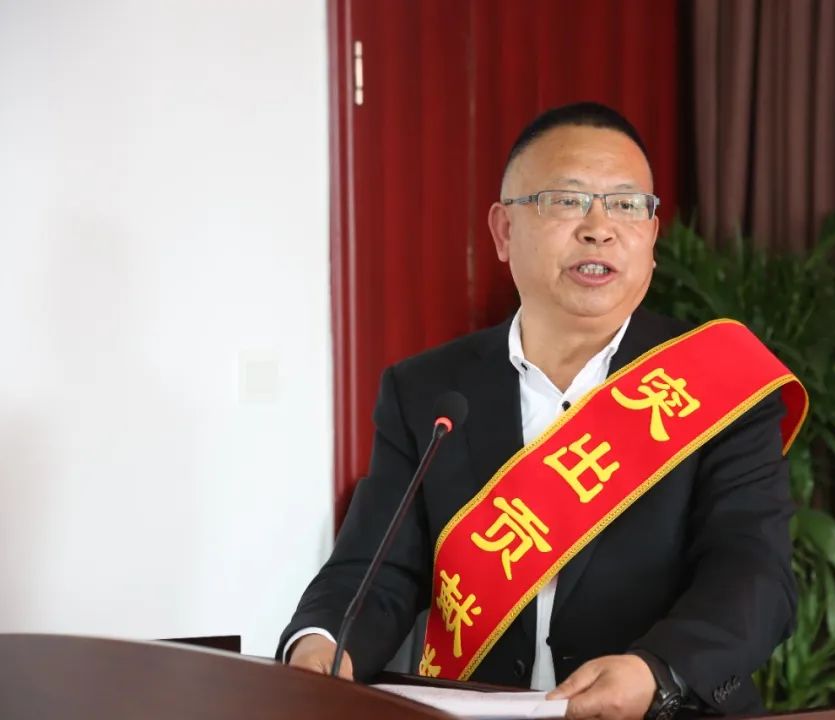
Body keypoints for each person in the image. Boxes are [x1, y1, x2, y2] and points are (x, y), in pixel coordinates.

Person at [278, 102, 804, 720]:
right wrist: (322, 645)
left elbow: (754, 572)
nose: (600, 229)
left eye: (627, 204)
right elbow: (374, 570)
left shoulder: (714, 384)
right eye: (567, 200)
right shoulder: (426, 391)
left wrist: (657, 671)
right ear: (504, 232)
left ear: (652, 237)